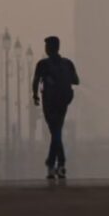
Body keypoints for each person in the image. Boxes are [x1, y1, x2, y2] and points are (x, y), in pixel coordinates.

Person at [32, 36, 79, 179]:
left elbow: (35, 81)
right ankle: (57, 165)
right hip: (63, 102)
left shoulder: (43, 64)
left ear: (50, 48)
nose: (46, 48)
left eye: (47, 46)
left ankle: (56, 164)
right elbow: (76, 81)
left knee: (55, 132)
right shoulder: (68, 63)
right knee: (57, 131)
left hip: (49, 103)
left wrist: (35, 95)